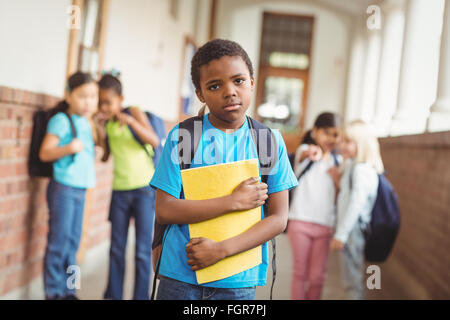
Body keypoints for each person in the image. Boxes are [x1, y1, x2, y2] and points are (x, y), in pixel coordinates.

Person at [149, 39, 298, 300]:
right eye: (215, 86)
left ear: (252, 81)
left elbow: (278, 218)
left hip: (237, 280)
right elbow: (165, 208)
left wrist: (221, 250)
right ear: (200, 93)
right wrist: (233, 201)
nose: (229, 91)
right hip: (181, 275)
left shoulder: (267, 142)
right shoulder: (184, 136)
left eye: (238, 80)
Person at [95, 73, 160, 300]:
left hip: (144, 190)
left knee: (142, 251)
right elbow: (105, 156)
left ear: (120, 99)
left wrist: (131, 121)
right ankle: (113, 295)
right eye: (100, 102)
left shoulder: (133, 112)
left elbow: (154, 140)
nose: (103, 106)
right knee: (116, 248)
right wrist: (100, 130)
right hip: (119, 191)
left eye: (108, 102)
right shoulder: (107, 122)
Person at [39, 71, 98, 300]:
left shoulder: (85, 122)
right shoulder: (61, 120)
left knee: (73, 243)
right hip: (63, 189)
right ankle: (54, 293)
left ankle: (70, 290)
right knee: (59, 243)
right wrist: (69, 148)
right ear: (68, 95)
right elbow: (45, 152)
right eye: (83, 96)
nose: (88, 102)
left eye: (93, 97)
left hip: (81, 189)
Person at [287, 112, 341, 300]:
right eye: (326, 132)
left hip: (325, 225)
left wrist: (337, 180)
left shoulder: (338, 162)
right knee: (300, 273)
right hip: (300, 222)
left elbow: (341, 195)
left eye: (335, 134)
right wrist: (311, 153)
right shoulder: (307, 151)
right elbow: (303, 155)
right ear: (315, 131)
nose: (331, 138)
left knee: (317, 277)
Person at [330, 120, 384, 300]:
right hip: (354, 229)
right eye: (342, 140)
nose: (342, 145)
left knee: (352, 281)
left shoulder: (360, 170)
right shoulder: (357, 167)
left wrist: (341, 234)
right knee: (352, 278)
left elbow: (356, 203)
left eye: (348, 142)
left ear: (361, 145)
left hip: (352, 231)